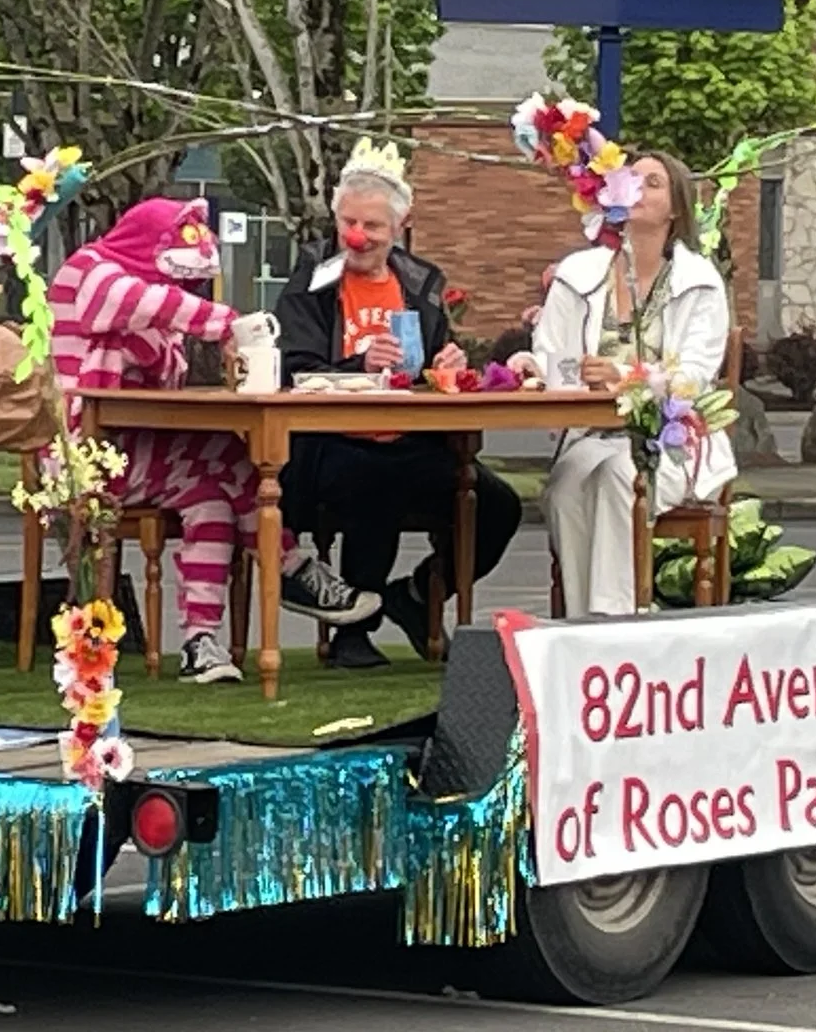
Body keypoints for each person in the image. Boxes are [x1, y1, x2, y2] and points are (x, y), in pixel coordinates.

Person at [49, 196, 378, 685]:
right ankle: (289, 567)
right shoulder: (88, 272)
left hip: (132, 448)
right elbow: (136, 301)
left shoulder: (152, 301)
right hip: (83, 456)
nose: (182, 286)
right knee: (226, 461)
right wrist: (228, 323)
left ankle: (200, 642)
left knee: (216, 491)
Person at [274, 138, 523, 668]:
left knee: (498, 506)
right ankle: (352, 632)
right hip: (328, 446)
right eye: (348, 223)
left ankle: (415, 596)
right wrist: (355, 367)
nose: (357, 237)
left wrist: (446, 367)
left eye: (372, 227)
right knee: (373, 480)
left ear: (400, 224)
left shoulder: (421, 282)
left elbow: (427, 366)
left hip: (413, 440)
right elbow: (293, 368)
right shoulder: (313, 279)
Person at [533, 151, 737, 617]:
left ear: (676, 209)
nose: (638, 189)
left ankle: (616, 621)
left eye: (654, 183)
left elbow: (693, 378)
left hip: (672, 438)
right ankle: (579, 625)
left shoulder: (699, 282)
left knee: (619, 476)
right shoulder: (577, 276)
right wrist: (538, 368)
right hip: (591, 432)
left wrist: (624, 378)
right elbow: (551, 354)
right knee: (565, 488)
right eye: (631, 179)